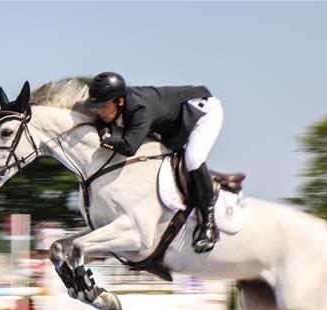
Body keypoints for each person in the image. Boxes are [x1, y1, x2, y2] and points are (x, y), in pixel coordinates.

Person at [85, 71, 223, 253]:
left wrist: (106, 140)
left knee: (193, 158)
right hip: (177, 118)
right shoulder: (121, 103)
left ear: (119, 102)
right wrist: (105, 134)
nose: (99, 110)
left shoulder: (140, 110)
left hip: (202, 112)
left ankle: (209, 223)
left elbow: (129, 147)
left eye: (102, 106)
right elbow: (100, 120)